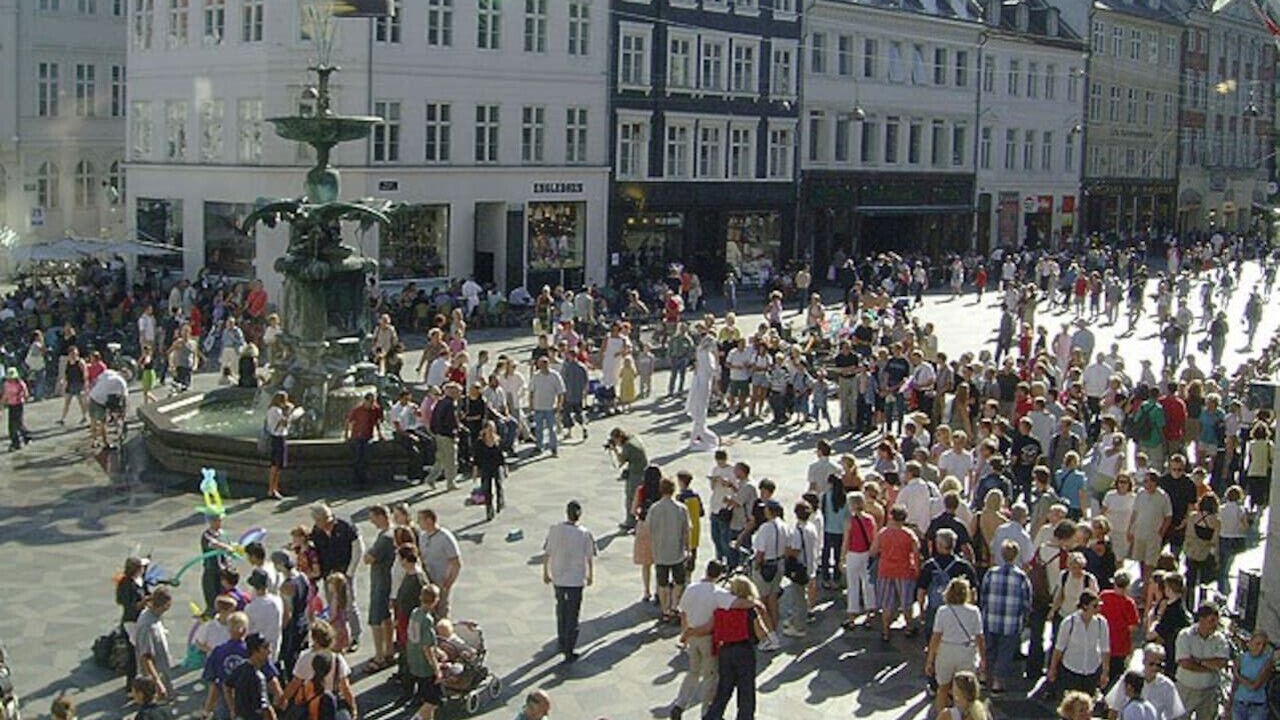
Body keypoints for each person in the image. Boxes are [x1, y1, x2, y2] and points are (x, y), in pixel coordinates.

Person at [669, 560, 730, 720]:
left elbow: (683, 612)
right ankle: (706, 712)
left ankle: (679, 704)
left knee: (693, 672)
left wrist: (685, 633)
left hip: (692, 637)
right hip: (708, 638)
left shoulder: (691, 588)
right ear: (719, 575)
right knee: (710, 676)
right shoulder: (718, 593)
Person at [542, 499, 596, 664]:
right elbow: (589, 557)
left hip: (558, 576)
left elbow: (547, 552)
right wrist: (590, 575)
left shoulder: (555, 530)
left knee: (561, 609)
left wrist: (545, 572)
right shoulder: (584, 533)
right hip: (575, 579)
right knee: (573, 613)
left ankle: (561, 639)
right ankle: (569, 648)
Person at [925, 577, 987, 716]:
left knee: (943, 688)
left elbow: (936, 637)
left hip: (946, 651)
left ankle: (943, 716)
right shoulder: (974, 611)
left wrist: (930, 659)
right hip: (966, 651)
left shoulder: (942, 611)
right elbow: (980, 637)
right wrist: (983, 659)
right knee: (966, 689)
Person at [310, 503, 365, 651]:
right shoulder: (317, 532)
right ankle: (336, 636)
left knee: (349, 604)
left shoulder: (345, 527)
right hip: (328, 574)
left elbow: (358, 548)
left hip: (344, 572)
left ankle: (355, 635)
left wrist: (350, 572)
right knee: (332, 606)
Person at [979, 540, 1031, 694]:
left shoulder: (991, 573)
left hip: (991, 619)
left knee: (989, 650)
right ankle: (997, 682)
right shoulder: (1021, 577)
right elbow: (1026, 602)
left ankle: (984, 676)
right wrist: (1024, 620)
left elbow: (983, 596)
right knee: (1005, 653)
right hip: (1011, 622)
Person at [873, 505, 921, 643]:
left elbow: (873, 551)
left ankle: (886, 631)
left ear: (891, 516)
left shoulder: (883, 533)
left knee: (887, 603)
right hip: (904, 570)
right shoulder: (909, 534)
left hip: (885, 570)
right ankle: (908, 627)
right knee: (906, 602)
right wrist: (917, 570)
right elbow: (916, 554)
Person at [1048, 590, 1111, 695]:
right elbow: (1059, 648)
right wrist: (1053, 668)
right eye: (1095, 606)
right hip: (1072, 669)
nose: (1098, 609)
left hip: (1092, 669)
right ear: (1085, 606)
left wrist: (1105, 672)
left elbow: (1105, 649)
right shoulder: (1069, 622)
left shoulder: (1101, 622)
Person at [1174, 604, 1230, 720]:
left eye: (1217, 621)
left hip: (1209, 692)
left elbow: (1222, 662)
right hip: (1186, 689)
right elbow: (1185, 663)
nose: (1215, 625)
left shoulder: (1220, 639)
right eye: (1211, 621)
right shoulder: (1185, 635)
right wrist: (1211, 667)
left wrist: (1197, 661)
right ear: (1201, 619)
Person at [648, 477, 692, 623]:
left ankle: (665, 610)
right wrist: (688, 548)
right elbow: (687, 530)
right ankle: (674, 606)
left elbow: (648, 528)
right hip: (677, 551)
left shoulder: (654, 508)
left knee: (662, 584)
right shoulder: (681, 508)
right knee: (679, 582)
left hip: (660, 552)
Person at [1102, 644, 1185, 720]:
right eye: (1151, 664)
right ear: (1143, 661)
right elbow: (1114, 711)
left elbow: (1174, 716)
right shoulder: (1129, 678)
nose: (1155, 668)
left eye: (1159, 665)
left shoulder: (1167, 685)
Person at [363, 505, 397, 672]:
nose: (372, 522)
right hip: (388, 581)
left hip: (381, 582)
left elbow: (368, 558)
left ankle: (379, 656)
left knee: (376, 619)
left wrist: (368, 553)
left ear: (381, 516)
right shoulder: (393, 533)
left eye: (373, 518)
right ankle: (389, 650)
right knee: (386, 617)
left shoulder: (385, 538)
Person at [406, 584, 444, 720]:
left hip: (414, 660)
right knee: (435, 700)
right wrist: (437, 669)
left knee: (426, 697)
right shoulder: (427, 620)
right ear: (435, 600)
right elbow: (427, 648)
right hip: (425, 667)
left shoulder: (415, 612)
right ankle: (417, 717)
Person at [417, 508, 462, 619]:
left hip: (441, 581)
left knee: (442, 612)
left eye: (420, 519)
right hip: (428, 581)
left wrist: (449, 582)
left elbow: (456, 562)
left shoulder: (445, 537)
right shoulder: (423, 536)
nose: (418, 522)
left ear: (429, 520)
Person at [134, 587, 175, 701]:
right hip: (153, 681)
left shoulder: (154, 616)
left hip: (161, 673)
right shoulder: (148, 626)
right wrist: (158, 683)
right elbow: (146, 657)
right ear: (165, 605)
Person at [226, 633, 276, 720]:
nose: (269, 651)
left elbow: (227, 686)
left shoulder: (239, 669)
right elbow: (265, 709)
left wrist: (232, 709)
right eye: (265, 647)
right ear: (254, 651)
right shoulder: (258, 677)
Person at [265, 391, 303, 500]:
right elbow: (284, 423)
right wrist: (291, 413)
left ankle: (274, 488)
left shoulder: (272, 409)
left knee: (276, 464)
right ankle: (272, 489)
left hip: (276, 437)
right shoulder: (276, 411)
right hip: (278, 438)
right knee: (277, 465)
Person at [687, 332, 721, 451]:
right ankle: (701, 437)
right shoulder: (706, 355)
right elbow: (712, 370)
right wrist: (717, 367)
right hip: (704, 384)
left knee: (700, 412)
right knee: (701, 410)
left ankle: (696, 438)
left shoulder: (700, 353)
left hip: (701, 382)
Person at [609, 428, 648, 531]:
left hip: (636, 474)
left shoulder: (628, 446)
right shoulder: (633, 438)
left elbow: (621, 461)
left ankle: (631, 521)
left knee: (631, 497)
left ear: (618, 438)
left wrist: (614, 450)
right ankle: (637, 518)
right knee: (640, 496)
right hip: (642, 470)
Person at [1230, 629, 1273, 720]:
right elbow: (1235, 685)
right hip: (1239, 704)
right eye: (1258, 644)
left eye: (1263, 645)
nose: (1260, 648)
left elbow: (1254, 686)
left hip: (1257, 706)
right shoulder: (1241, 658)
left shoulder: (1267, 661)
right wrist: (1229, 705)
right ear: (1250, 643)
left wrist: (1238, 675)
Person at [344, 392, 384, 489]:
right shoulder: (357, 410)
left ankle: (365, 481)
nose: (372, 403)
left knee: (366, 458)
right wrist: (346, 435)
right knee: (358, 459)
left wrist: (380, 434)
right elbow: (349, 422)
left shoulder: (375, 409)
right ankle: (357, 481)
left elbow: (377, 422)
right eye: (370, 401)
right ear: (365, 401)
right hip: (357, 437)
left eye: (373, 401)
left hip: (368, 437)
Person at [528, 355, 565, 457]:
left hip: (550, 407)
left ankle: (553, 447)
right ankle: (539, 447)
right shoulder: (536, 376)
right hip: (538, 406)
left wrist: (559, 405)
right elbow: (531, 391)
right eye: (541, 364)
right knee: (538, 429)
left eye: (545, 363)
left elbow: (560, 392)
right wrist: (531, 405)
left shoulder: (555, 375)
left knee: (552, 429)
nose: (543, 366)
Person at [87, 367, 128, 448]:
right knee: (103, 422)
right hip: (101, 401)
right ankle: (105, 443)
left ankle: (94, 441)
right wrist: (124, 412)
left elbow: (96, 380)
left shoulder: (108, 372)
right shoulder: (122, 382)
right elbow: (124, 398)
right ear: (125, 375)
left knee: (93, 420)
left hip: (93, 396)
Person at [3, 368, 31, 451]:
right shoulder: (6, 384)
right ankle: (15, 442)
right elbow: (5, 394)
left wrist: (22, 397)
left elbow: (26, 394)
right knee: (11, 425)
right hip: (11, 405)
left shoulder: (20, 384)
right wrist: (2, 404)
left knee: (18, 423)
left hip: (19, 405)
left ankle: (25, 436)